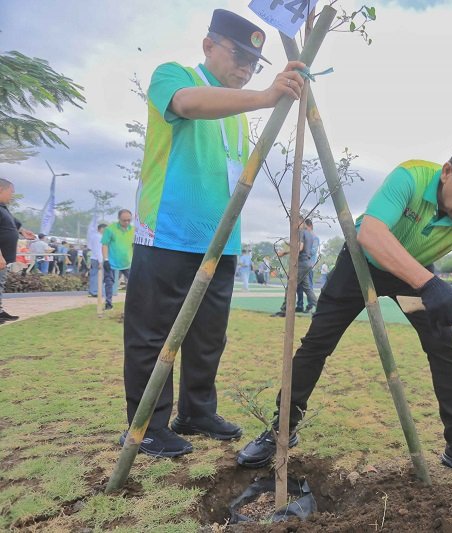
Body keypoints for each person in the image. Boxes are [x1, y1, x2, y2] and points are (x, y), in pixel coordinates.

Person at [237, 136, 452, 483]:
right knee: (316, 344)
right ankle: (281, 429)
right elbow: (373, 234)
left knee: (444, 347)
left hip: (415, 270)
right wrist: (429, 284)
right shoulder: (410, 178)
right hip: (362, 263)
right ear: (448, 172)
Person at [122, 8, 306, 457]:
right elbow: (186, 104)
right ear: (208, 46)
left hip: (221, 242)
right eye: (238, 55)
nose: (245, 69)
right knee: (153, 334)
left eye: (253, 64)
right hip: (167, 234)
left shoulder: (239, 113)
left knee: (208, 335)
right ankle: (146, 425)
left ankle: (197, 410)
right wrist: (265, 95)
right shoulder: (174, 75)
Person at [0, 179, 36, 324]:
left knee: (0, 283)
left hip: (4, 257)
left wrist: (23, 231)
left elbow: (12, 223)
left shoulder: (3, 208)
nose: (12, 195)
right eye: (11, 192)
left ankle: (0, 312)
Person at [273, 219, 318, 317]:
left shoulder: (301, 232)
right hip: (308, 263)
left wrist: (284, 252)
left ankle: (284, 310)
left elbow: (300, 247)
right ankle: (320, 308)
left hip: (301, 264)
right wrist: (290, 244)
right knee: (307, 288)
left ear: (301, 222)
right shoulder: (310, 234)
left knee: (290, 286)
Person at [101, 209, 134, 310]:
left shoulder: (133, 230)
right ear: (119, 219)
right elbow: (105, 244)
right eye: (124, 220)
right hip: (112, 262)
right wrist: (105, 259)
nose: (127, 222)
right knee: (109, 282)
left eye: (129, 220)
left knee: (134, 282)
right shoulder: (110, 229)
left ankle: (133, 304)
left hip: (127, 262)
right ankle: (108, 303)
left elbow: (134, 245)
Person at [296, 219, 320, 312]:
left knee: (308, 286)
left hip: (308, 264)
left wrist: (305, 249)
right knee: (300, 287)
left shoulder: (314, 237)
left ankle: (310, 305)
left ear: (309, 225)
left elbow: (313, 250)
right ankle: (300, 305)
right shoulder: (304, 235)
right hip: (302, 263)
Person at [88, 223, 107, 297]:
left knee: (94, 275)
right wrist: (100, 261)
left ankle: (94, 291)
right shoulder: (98, 237)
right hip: (97, 259)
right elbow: (98, 250)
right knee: (97, 276)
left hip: (95, 258)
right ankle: (95, 291)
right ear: (101, 229)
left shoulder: (95, 236)